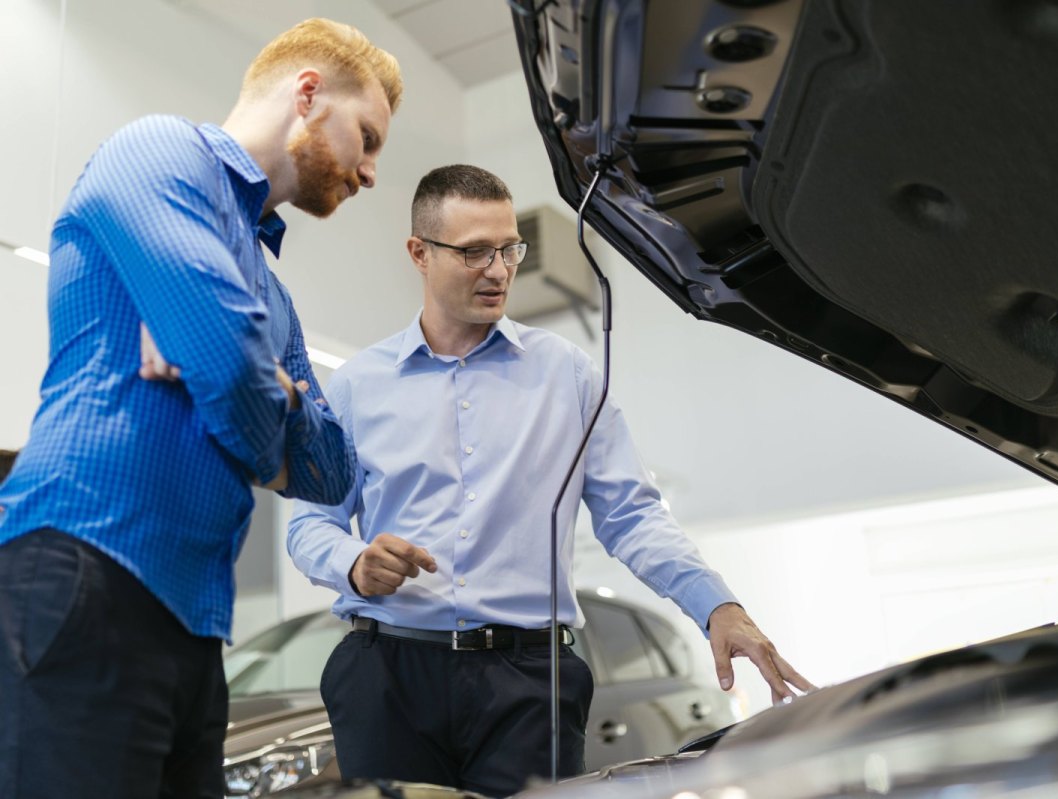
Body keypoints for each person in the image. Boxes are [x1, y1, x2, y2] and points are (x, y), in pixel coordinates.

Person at [288, 164, 814, 797]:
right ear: (419, 254)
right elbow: (309, 523)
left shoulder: (567, 375)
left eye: (510, 249)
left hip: (531, 680)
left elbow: (631, 514)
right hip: (387, 673)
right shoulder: (354, 386)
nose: (499, 270)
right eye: (474, 252)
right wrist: (353, 564)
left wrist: (718, 606)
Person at [0, 19, 402, 799]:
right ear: (310, 94)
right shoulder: (159, 153)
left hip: (194, 623)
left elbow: (329, 471)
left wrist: (248, 367)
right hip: (87, 571)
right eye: (369, 137)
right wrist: (246, 375)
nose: (372, 171)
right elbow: (236, 381)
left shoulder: (268, 287)